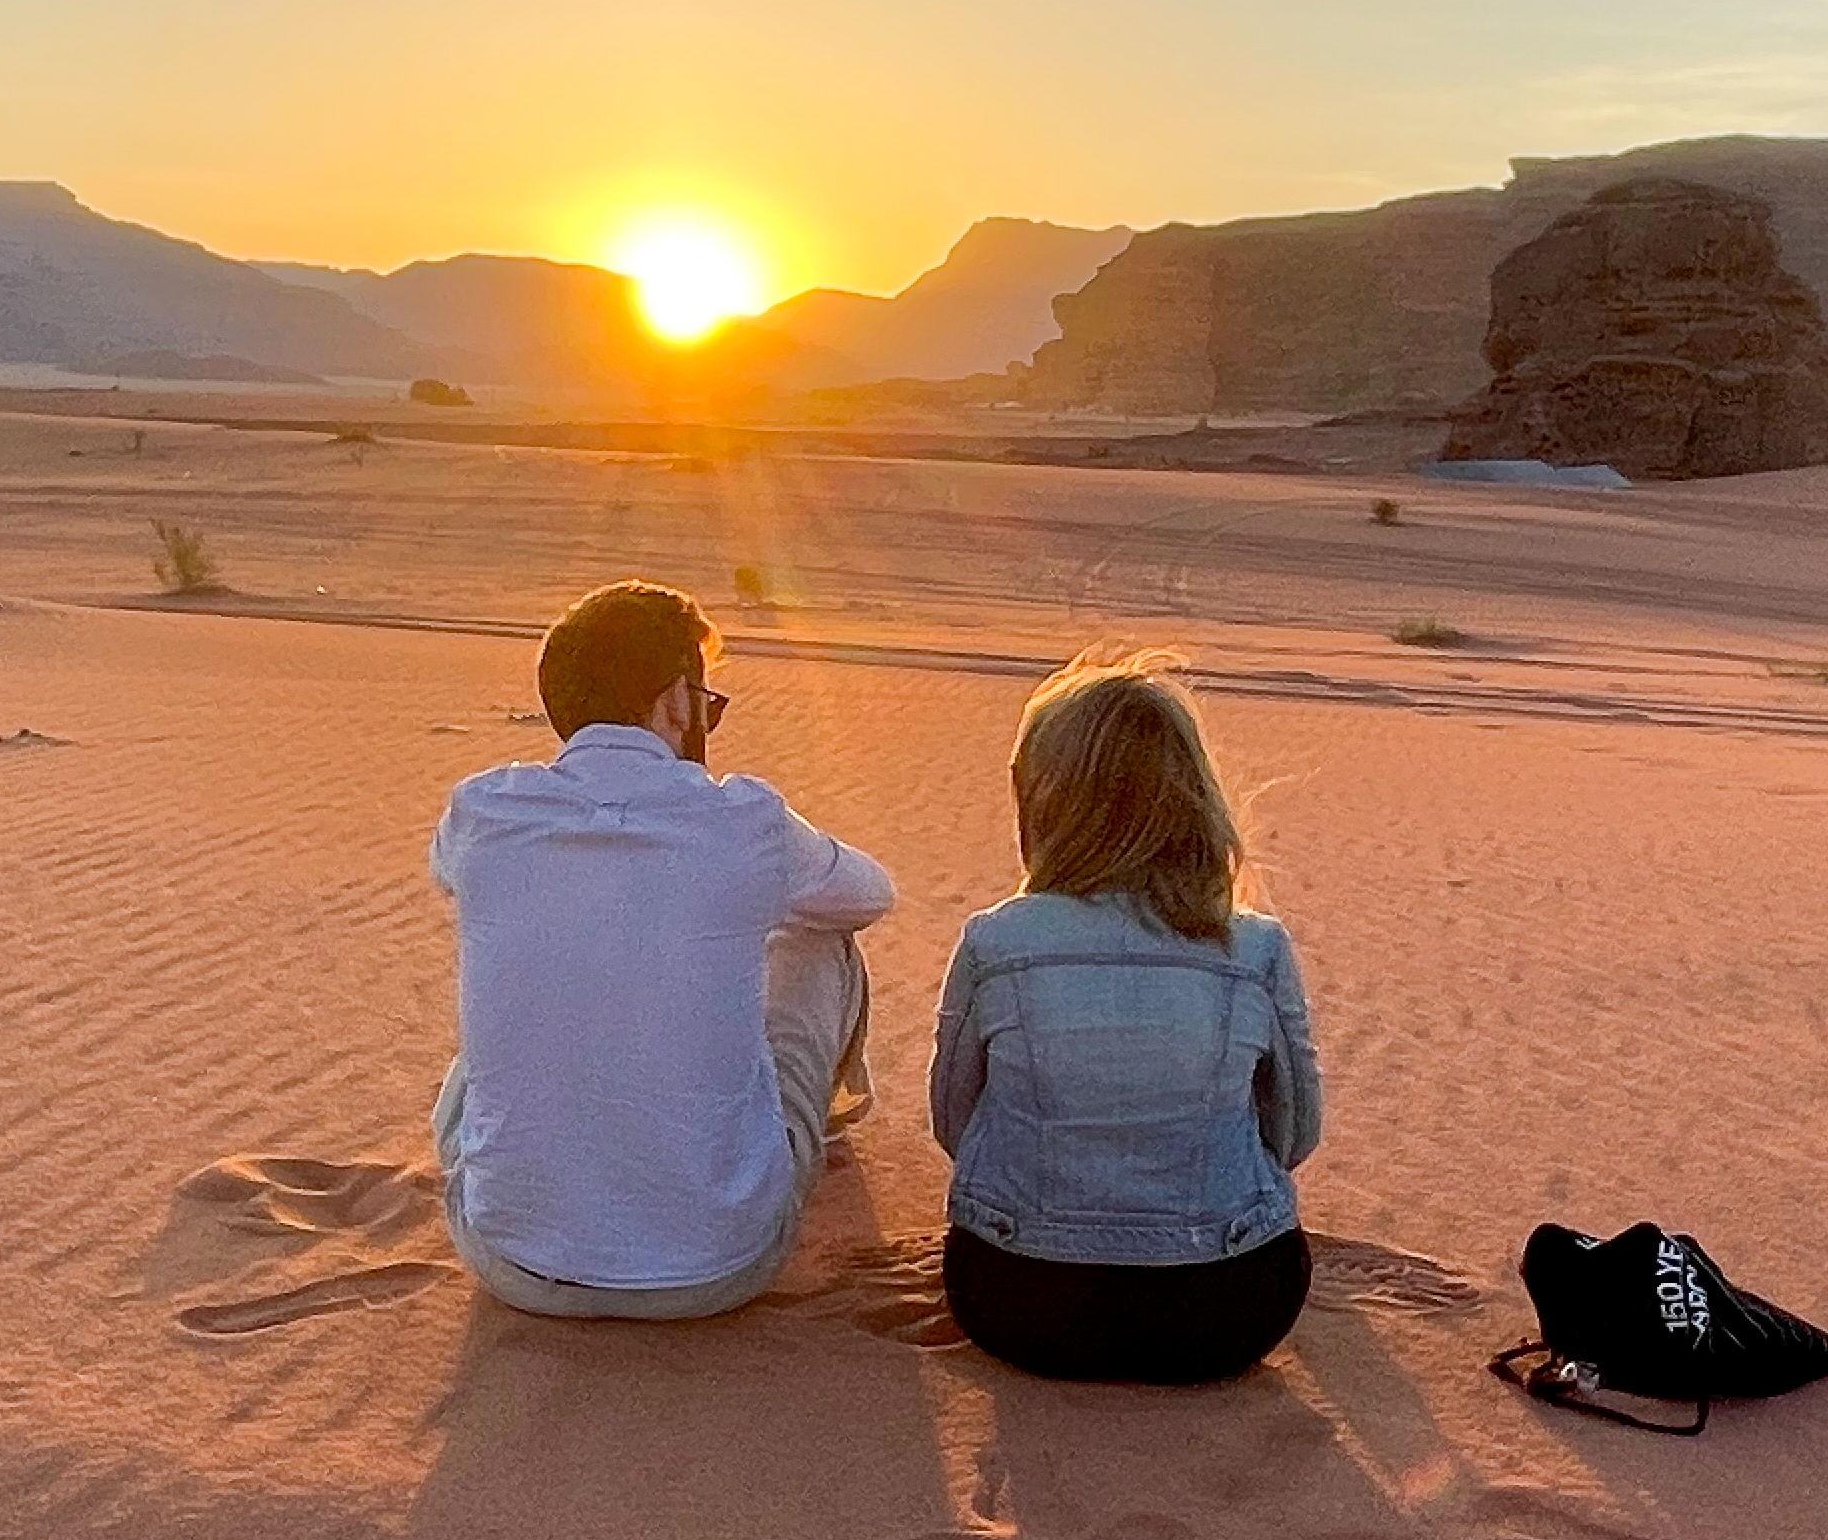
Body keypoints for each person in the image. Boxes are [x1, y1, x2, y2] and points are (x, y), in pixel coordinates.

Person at [431, 580, 891, 1320]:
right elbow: (870, 894)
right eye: (706, 701)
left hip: (508, 1259)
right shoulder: (745, 819)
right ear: (677, 699)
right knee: (823, 943)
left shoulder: (481, 810)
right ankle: (811, 1130)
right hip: (717, 1268)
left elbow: (450, 878)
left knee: (528, 1006)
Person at [929, 656, 1321, 1382]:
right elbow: (1294, 1134)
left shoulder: (997, 941)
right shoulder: (1255, 947)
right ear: (1194, 796)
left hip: (1017, 1300)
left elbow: (956, 1121)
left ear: (1041, 801)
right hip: (1227, 1308)